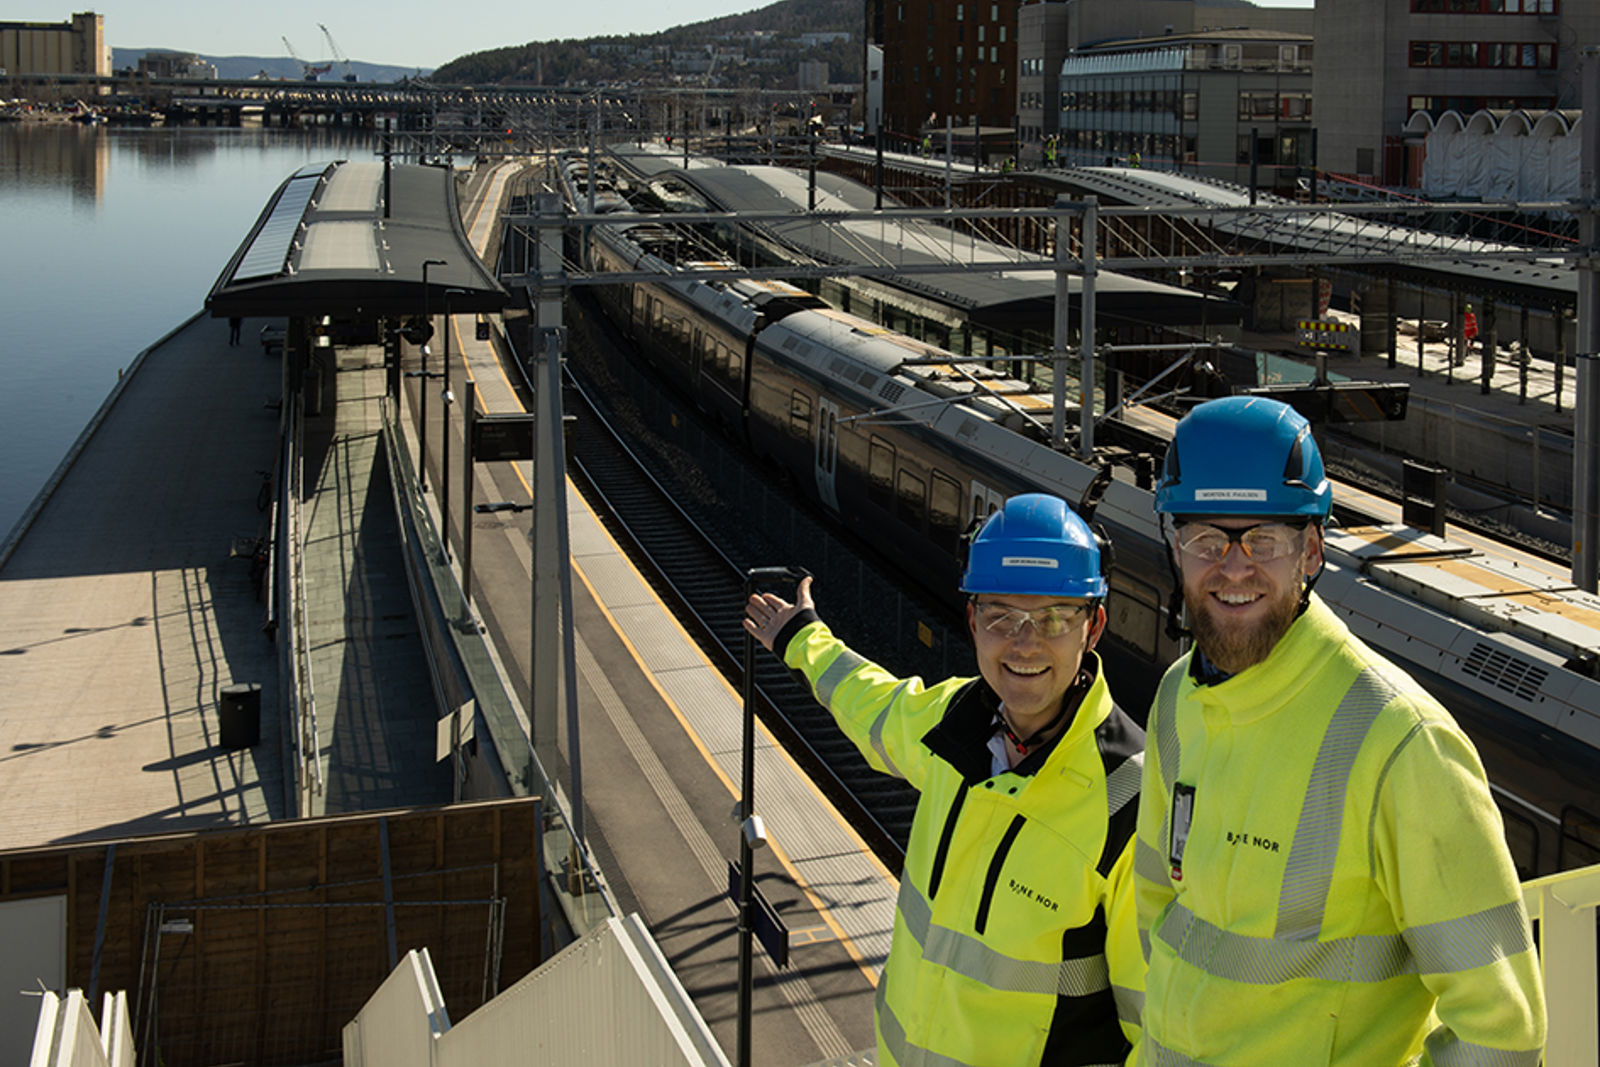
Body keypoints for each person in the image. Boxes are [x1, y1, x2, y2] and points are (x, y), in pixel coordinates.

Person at [1134, 396, 1546, 1065]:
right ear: (1175, 547)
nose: (1233, 568)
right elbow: (1159, 908)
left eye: (1263, 540)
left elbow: (1500, 1030)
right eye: (1207, 540)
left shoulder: (1400, 742)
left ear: (1312, 551)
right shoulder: (1176, 698)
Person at [744, 494, 1145, 1067]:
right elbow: (873, 703)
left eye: (1054, 617)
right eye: (1002, 616)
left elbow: (1158, 1030)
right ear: (973, 621)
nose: (1025, 643)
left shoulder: (1131, 802)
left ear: (1094, 626)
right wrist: (799, 639)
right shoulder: (952, 722)